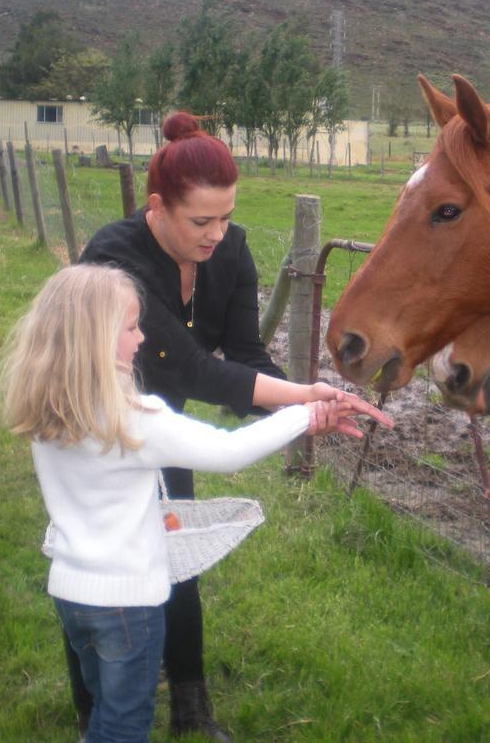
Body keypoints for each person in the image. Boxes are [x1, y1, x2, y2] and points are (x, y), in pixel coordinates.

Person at [74, 111, 382, 740]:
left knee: (175, 559)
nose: (217, 235)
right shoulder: (112, 257)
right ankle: (97, 713)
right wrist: (301, 397)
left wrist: (305, 411)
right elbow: (185, 367)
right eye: (200, 221)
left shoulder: (232, 250)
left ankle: (190, 705)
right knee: (100, 572)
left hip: (165, 425)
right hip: (101, 433)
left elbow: (242, 356)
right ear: (157, 208)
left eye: (226, 216)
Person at [0, 265, 390, 743]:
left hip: (71, 595)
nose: (141, 338)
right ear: (95, 338)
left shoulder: (47, 411)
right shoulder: (134, 420)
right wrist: (304, 414)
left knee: (103, 707)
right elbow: (228, 452)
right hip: (127, 603)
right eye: (130, 327)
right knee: (125, 724)